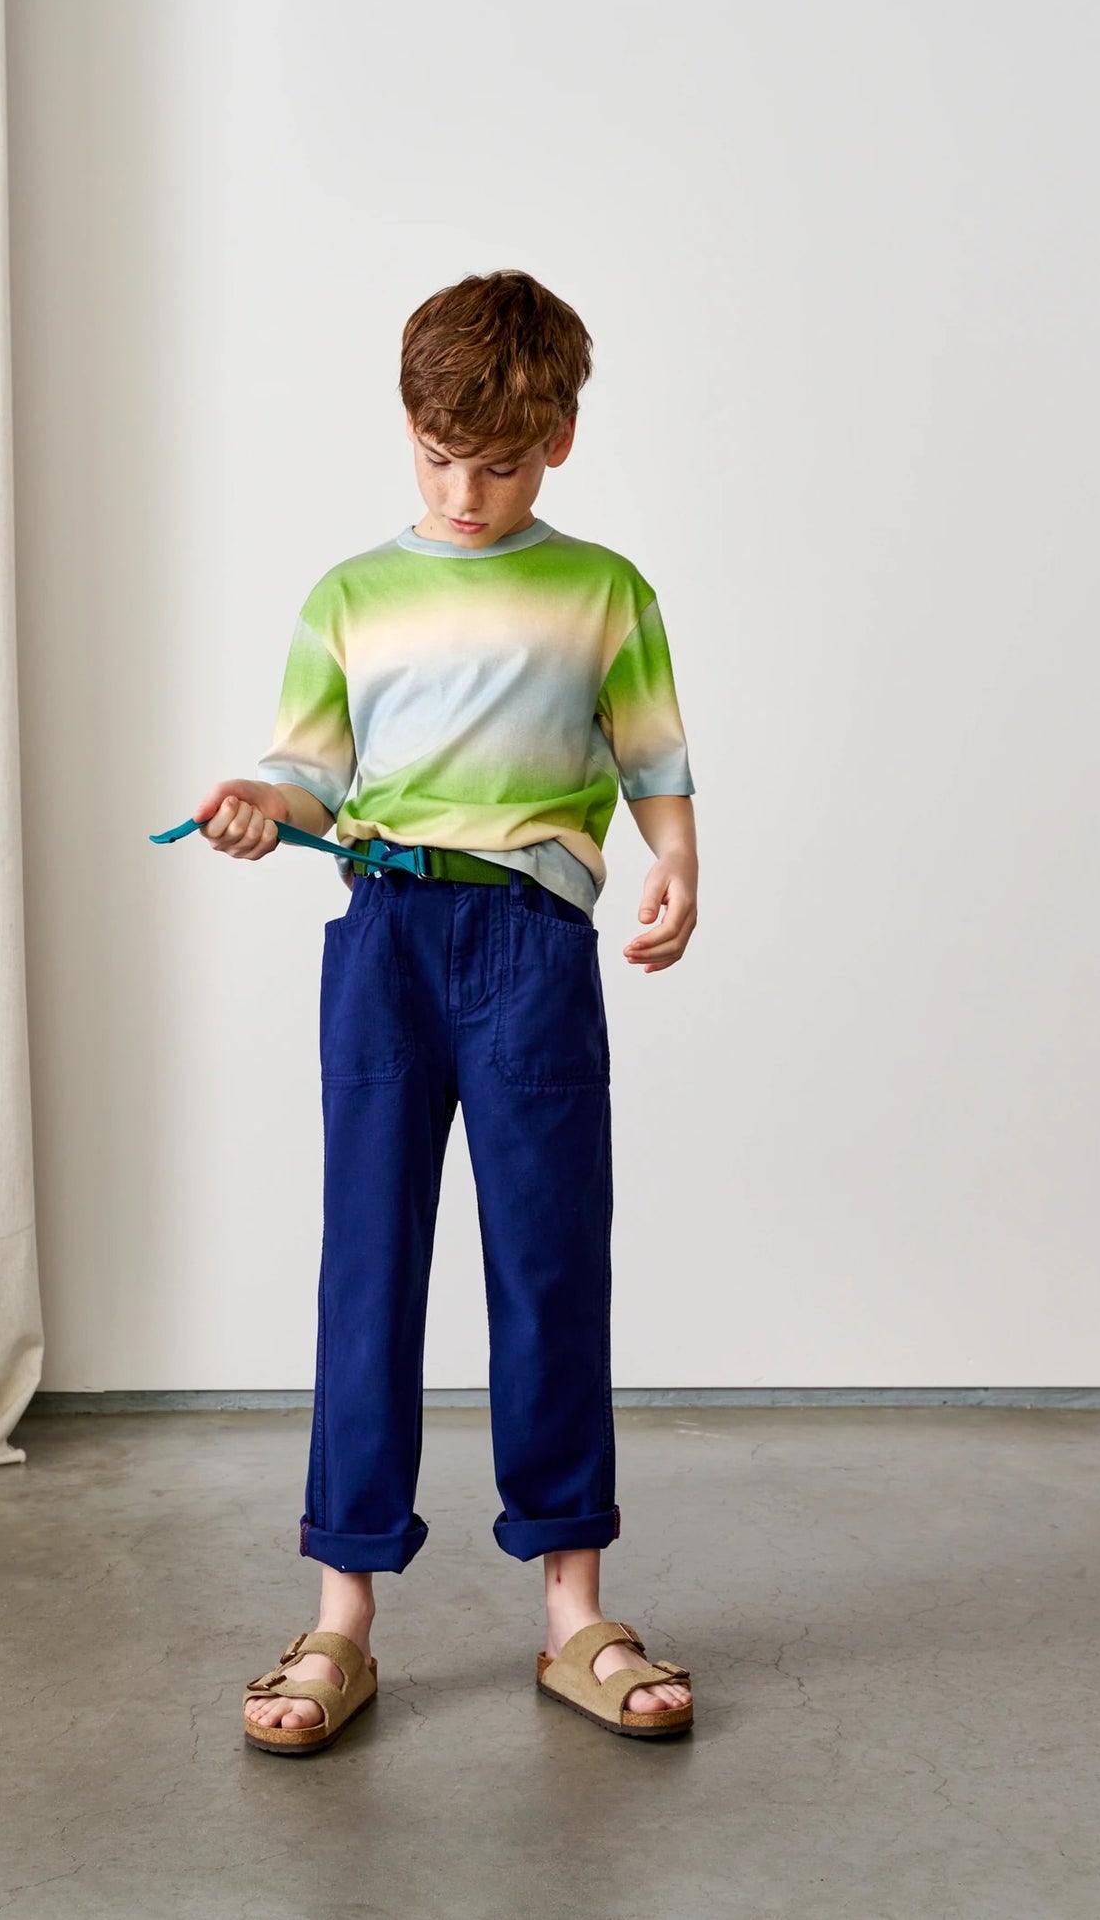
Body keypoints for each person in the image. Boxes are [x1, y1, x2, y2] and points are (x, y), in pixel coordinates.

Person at [197, 269, 700, 1751]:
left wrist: (677, 870)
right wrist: (259, 806)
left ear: (557, 442)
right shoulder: (349, 597)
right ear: (406, 431)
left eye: (498, 465)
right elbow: (309, 774)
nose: (464, 494)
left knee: (550, 1264)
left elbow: (655, 762)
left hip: (533, 944)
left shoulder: (605, 591)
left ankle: (574, 1612)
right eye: (437, 459)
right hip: (384, 941)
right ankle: (340, 1618)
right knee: (369, 1265)